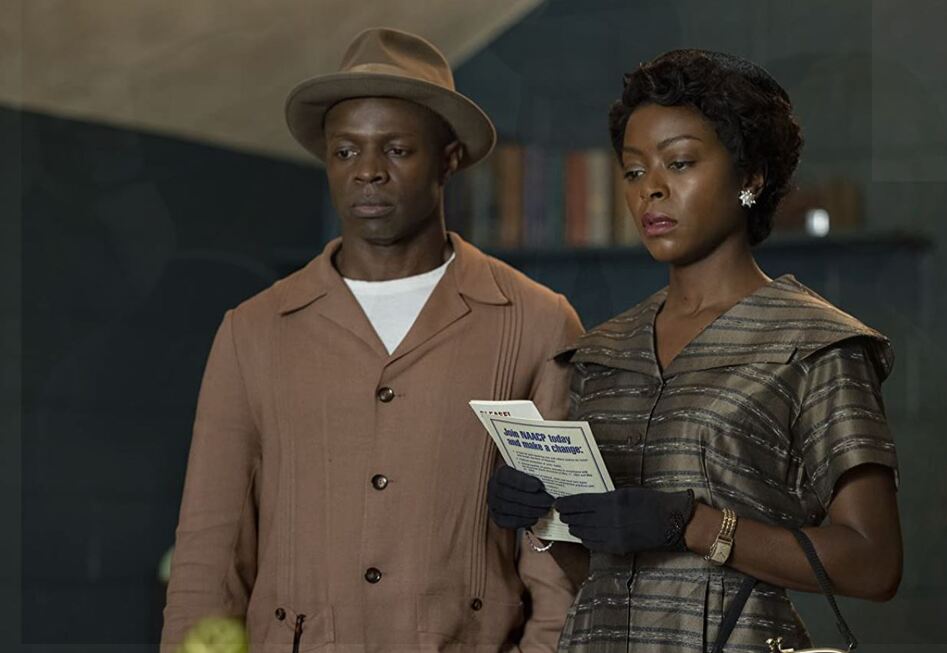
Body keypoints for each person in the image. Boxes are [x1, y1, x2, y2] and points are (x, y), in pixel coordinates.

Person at [161, 28, 583, 653]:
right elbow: (209, 550)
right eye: (345, 151)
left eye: (397, 150)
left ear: (448, 159)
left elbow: (561, 545)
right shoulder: (253, 330)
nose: (368, 173)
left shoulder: (538, 323)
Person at [486, 49, 902, 652]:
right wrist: (545, 520)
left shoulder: (816, 346)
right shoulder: (603, 352)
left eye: (679, 163)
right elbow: (598, 577)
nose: (651, 190)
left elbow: (874, 564)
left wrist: (693, 524)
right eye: (633, 172)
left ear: (750, 178)